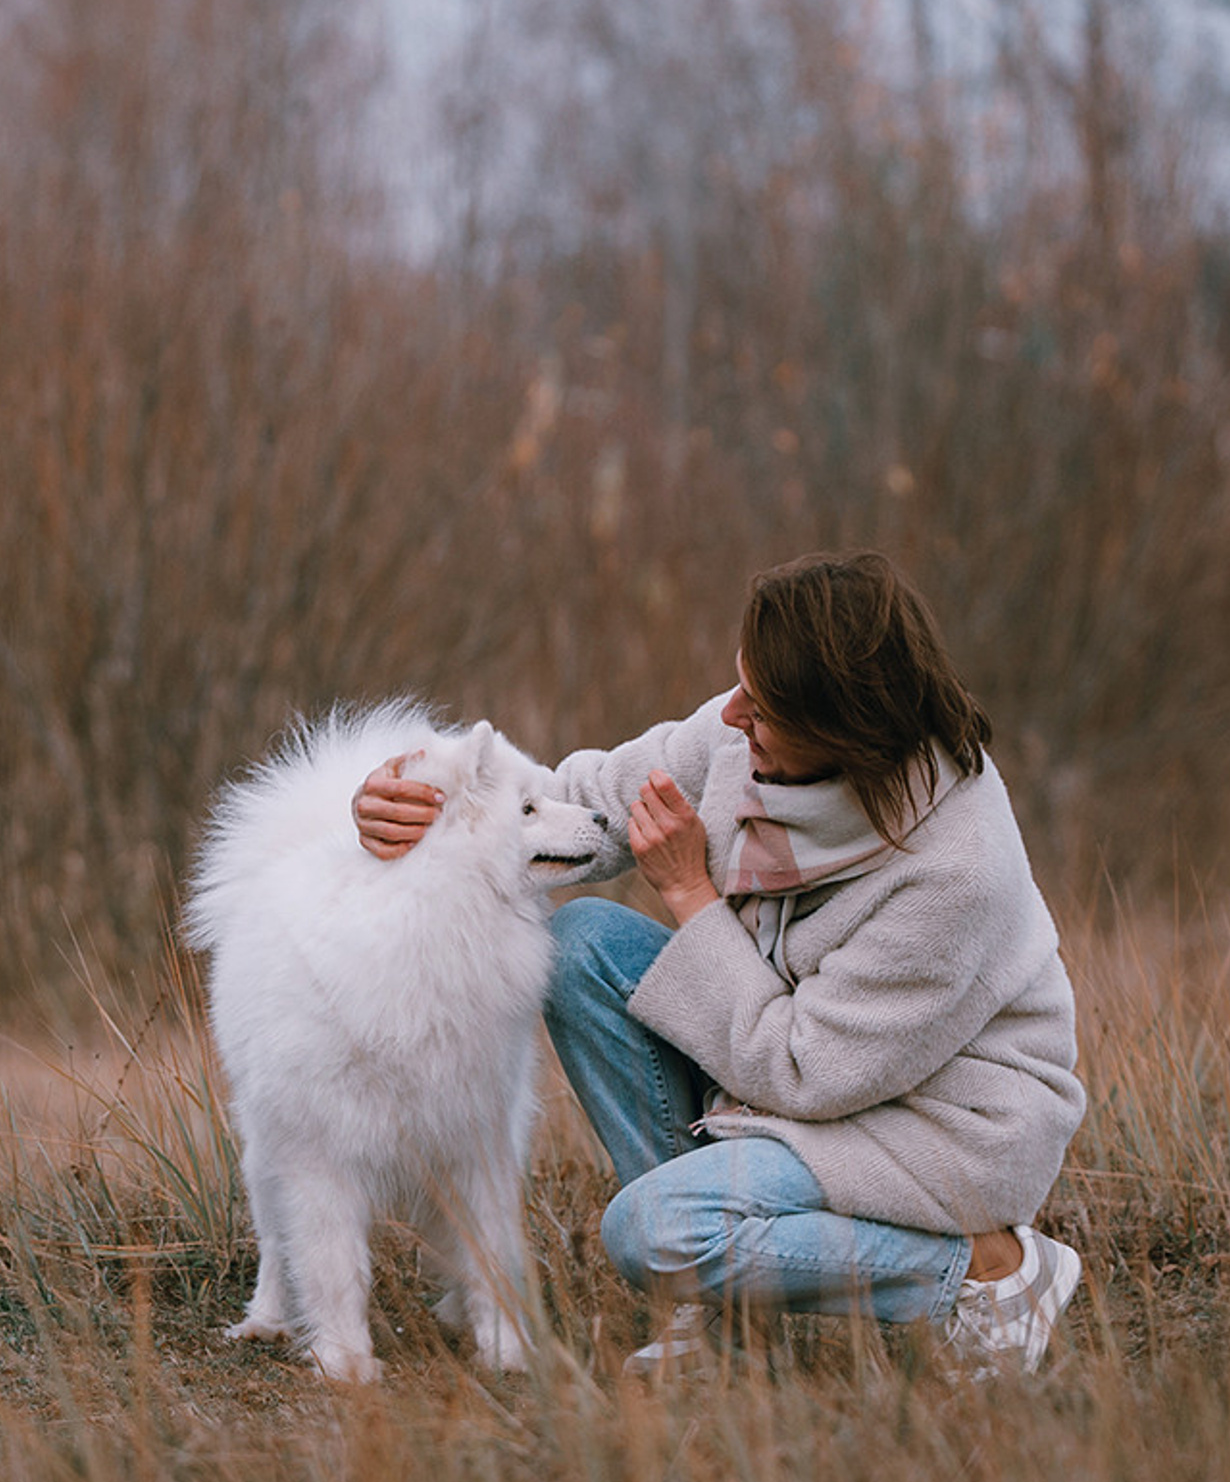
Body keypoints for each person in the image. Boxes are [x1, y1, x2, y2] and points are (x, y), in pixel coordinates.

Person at [353, 550, 1086, 1377]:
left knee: (652, 1232)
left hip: (932, 1128)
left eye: (762, 708)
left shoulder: (955, 869)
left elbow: (804, 1073)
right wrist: (426, 796)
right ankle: (724, 1318)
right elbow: (584, 805)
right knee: (584, 945)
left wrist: (691, 896)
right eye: (741, 685)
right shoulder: (749, 739)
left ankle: (986, 1275)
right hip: (792, 1064)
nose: (732, 715)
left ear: (843, 729)